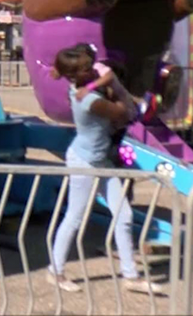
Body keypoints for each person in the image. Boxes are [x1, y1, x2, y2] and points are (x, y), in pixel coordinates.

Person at [47, 44, 157, 294]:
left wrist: (100, 82)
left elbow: (106, 76)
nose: (93, 70)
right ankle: (56, 271)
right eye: (87, 69)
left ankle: (131, 276)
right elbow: (124, 113)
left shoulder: (88, 87)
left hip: (101, 159)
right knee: (74, 216)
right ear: (75, 76)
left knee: (124, 216)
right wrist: (117, 90)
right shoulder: (88, 100)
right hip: (84, 160)